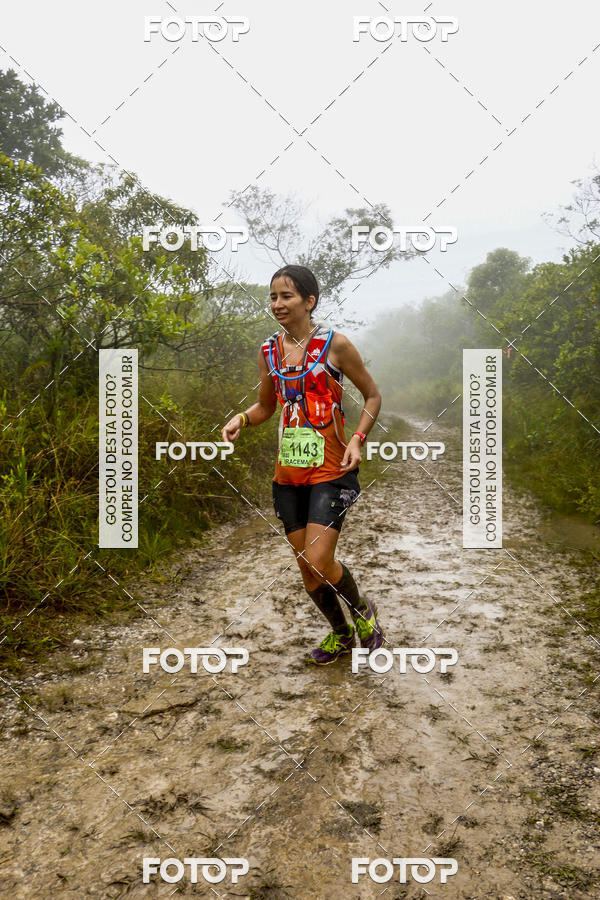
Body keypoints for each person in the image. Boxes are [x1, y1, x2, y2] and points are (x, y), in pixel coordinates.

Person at [221, 264, 384, 665]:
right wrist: (241, 419)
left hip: (332, 471)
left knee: (318, 559)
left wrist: (358, 439)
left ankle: (363, 611)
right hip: (289, 476)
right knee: (307, 568)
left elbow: (373, 396)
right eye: (273, 297)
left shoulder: (335, 345)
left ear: (309, 301)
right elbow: (265, 406)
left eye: (287, 296)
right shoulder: (269, 351)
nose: (277, 304)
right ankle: (341, 635)